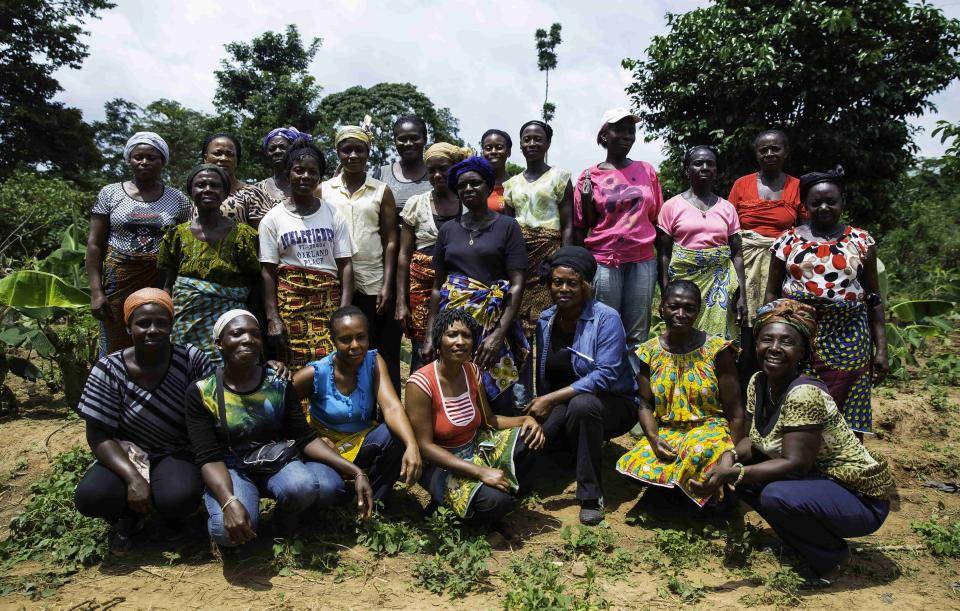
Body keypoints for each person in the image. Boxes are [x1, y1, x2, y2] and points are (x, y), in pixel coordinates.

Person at [689, 299, 893, 583]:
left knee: (774, 495)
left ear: (802, 351)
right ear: (755, 344)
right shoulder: (758, 382)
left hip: (858, 498)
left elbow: (796, 464)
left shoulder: (803, 393)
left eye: (786, 342)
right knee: (749, 482)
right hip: (821, 486)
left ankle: (831, 558)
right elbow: (753, 441)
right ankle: (803, 541)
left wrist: (734, 474)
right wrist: (729, 457)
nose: (774, 348)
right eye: (766, 339)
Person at [185, 310, 374, 548]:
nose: (247, 339)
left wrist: (356, 471)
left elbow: (304, 437)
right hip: (231, 468)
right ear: (219, 343)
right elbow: (208, 457)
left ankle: (283, 522)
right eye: (237, 333)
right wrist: (228, 500)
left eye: (254, 334)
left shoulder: (277, 382)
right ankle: (237, 506)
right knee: (226, 534)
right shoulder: (202, 392)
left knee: (307, 486)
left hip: (276, 461)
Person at [74, 289, 213, 551]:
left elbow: (214, 407)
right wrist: (132, 478)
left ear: (172, 325)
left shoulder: (191, 360)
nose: (152, 330)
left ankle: (172, 518)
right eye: (143, 323)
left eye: (161, 322)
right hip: (127, 451)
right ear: (128, 328)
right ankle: (127, 516)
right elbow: (98, 435)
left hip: (177, 450)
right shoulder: (108, 369)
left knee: (179, 497)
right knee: (91, 496)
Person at [764, 167, 888, 434]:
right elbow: (771, 293)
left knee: (848, 398)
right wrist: (772, 330)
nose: (823, 207)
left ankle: (846, 465)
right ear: (805, 206)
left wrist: (881, 349)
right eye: (815, 202)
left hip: (849, 335)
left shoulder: (861, 240)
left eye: (831, 201)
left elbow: (874, 298)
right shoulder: (787, 240)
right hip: (799, 334)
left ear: (842, 202)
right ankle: (797, 461)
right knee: (798, 396)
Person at [526, 247, 638, 525]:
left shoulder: (605, 318)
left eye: (572, 283)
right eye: (557, 282)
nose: (563, 289)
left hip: (612, 401)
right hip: (562, 401)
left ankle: (590, 494)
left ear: (585, 285)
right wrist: (542, 408)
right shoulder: (546, 319)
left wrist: (549, 400)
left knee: (583, 405)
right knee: (535, 439)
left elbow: (605, 376)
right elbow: (545, 372)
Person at [405, 309, 545, 522]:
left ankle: (485, 494)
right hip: (441, 464)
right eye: (452, 335)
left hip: (473, 448)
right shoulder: (421, 383)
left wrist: (526, 420)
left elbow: (489, 420)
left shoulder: (472, 371)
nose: (460, 341)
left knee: (530, 439)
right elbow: (425, 447)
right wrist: (480, 472)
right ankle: (444, 503)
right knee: (497, 503)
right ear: (438, 341)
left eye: (467, 336)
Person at [616, 280, 745, 507]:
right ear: (661, 308)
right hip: (669, 430)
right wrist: (654, 439)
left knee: (696, 451)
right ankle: (682, 493)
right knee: (634, 463)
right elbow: (645, 405)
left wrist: (730, 457)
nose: (681, 314)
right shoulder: (650, 352)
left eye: (689, 308)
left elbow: (735, 412)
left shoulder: (717, 351)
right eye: (674, 306)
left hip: (710, 430)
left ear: (698, 311)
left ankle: (703, 494)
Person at [422, 156, 529, 415]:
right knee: (455, 383)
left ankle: (499, 438)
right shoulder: (449, 230)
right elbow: (438, 287)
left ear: (488, 186)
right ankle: (460, 434)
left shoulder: (507, 226)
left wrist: (498, 335)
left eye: (475, 183)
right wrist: (429, 334)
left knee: (498, 389)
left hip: (492, 321)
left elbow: (517, 284)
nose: (468, 189)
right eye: (462, 186)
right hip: (453, 324)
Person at [291, 306, 422, 502]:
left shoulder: (374, 361)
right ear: (333, 341)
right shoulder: (315, 373)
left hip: (361, 439)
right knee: (331, 489)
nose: (355, 345)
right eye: (345, 339)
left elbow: (392, 407)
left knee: (396, 436)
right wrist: (313, 439)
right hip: (325, 449)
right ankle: (344, 494)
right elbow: (284, 411)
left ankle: (374, 501)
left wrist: (412, 445)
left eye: (361, 337)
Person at [573, 108, 667, 366]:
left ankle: (634, 395)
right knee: (606, 329)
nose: (627, 135)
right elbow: (581, 226)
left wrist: (663, 273)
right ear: (605, 135)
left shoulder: (647, 171)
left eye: (631, 130)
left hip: (642, 260)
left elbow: (657, 219)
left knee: (637, 335)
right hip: (604, 262)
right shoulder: (589, 176)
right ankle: (604, 388)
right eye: (620, 130)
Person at [86, 132, 191, 356]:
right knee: (115, 337)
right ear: (129, 159)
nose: (144, 162)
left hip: (160, 279)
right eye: (138, 156)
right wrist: (96, 291)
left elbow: (187, 242)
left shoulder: (178, 200)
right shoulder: (110, 193)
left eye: (151, 157)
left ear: (162, 161)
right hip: (118, 278)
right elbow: (95, 244)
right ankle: (111, 386)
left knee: (156, 335)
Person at [259, 139, 354, 368]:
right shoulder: (272, 219)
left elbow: (346, 265)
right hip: (291, 306)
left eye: (312, 172)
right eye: (299, 170)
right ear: (288, 173)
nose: (305, 177)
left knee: (330, 366)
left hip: (328, 302)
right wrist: (272, 318)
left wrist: (343, 311)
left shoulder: (333, 214)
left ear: (320, 177)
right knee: (291, 367)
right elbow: (268, 272)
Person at [321, 126, 402, 393]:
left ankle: (387, 415)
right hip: (335, 280)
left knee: (381, 350)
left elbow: (391, 239)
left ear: (369, 153)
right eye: (347, 149)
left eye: (360, 149)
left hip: (373, 280)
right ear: (338, 153)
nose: (353, 155)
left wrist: (387, 285)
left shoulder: (381, 190)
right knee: (342, 349)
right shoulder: (325, 190)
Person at [158, 164, 260, 365]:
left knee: (231, 373)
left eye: (214, 185)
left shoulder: (243, 235)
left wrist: (254, 322)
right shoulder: (176, 235)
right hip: (185, 322)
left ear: (225, 193)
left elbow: (256, 283)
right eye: (200, 185)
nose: (207, 190)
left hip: (232, 323)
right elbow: (167, 283)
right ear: (191, 191)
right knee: (187, 370)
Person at [728, 130, 804, 384]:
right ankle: (744, 392)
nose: (770, 154)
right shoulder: (742, 184)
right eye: (764, 150)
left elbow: (805, 229)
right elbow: (729, 228)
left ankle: (778, 387)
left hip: (783, 263)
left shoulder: (797, 187)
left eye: (776, 148)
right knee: (746, 329)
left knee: (780, 322)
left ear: (786, 151)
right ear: (756, 154)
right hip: (746, 264)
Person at [658, 145, 747, 341]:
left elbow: (737, 254)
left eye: (710, 164)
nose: (704, 167)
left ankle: (717, 369)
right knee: (683, 332)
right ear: (687, 170)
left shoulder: (727, 208)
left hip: (720, 282)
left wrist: (742, 295)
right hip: (683, 280)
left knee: (720, 338)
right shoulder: (671, 206)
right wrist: (666, 292)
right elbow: (664, 254)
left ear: (716, 171)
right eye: (698, 163)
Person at [396, 142, 470, 371]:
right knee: (423, 350)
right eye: (431, 170)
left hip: (460, 288)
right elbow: (403, 255)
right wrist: (401, 301)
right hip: (421, 289)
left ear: (456, 168)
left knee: (459, 346)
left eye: (444, 168)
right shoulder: (416, 204)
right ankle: (423, 401)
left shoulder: (469, 203)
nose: (437, 175)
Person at [375, 116, 432, 215]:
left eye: (414, 138)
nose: (408, 144)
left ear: (425, 139)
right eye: (402, 139)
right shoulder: (382, 174)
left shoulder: (436, 174)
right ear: (395, 142)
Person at [480, 129, 512, 212]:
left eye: (499, 147)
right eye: (488, 148)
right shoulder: (476, 185)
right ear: (483, 152)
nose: (493, 151)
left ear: (509, 152)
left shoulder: (517, 185)